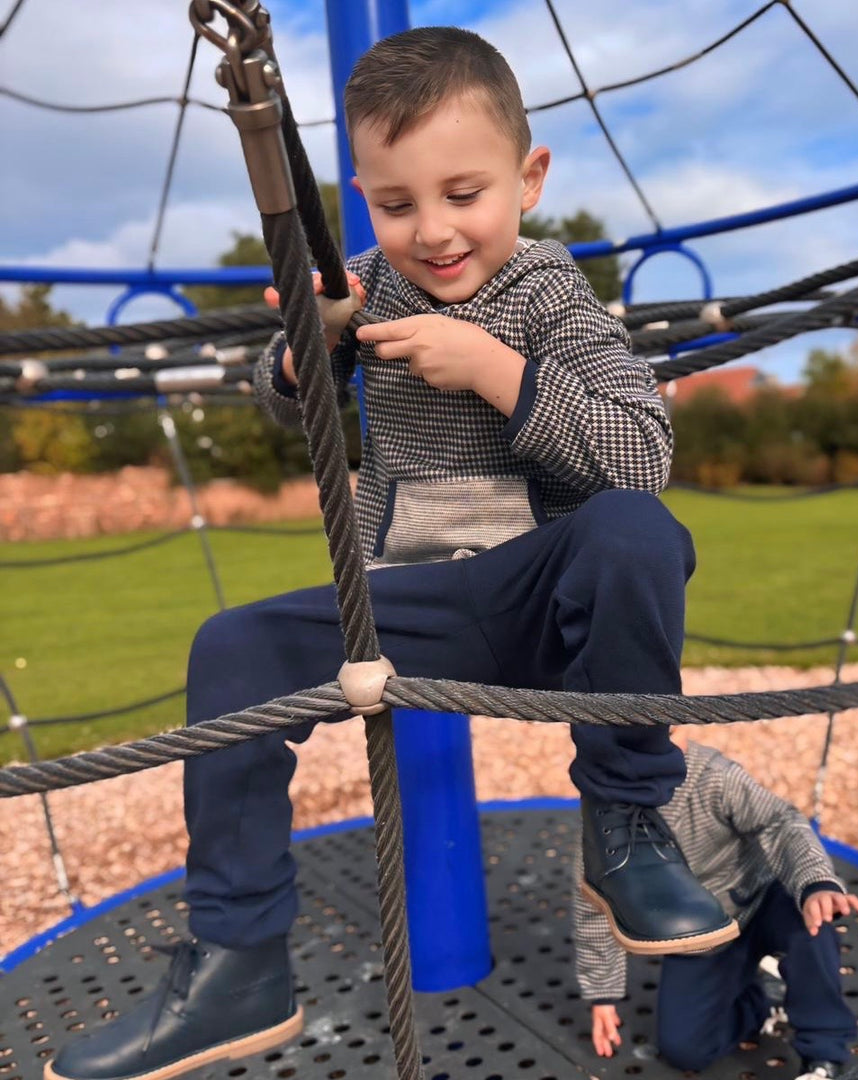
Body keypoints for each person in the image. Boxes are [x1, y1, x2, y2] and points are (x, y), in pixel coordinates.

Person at [48, 25, 737, 1080]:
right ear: (364, 197)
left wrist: (500, 372)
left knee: (638, 530)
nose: (434, 230)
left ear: (530, 178)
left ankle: (628, 826)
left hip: (543, 605)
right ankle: (239, 964)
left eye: (464, 194)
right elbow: (280, 405)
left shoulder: (551, 297)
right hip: (401, 612)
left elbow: (641, 453)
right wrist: (302, 357)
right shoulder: (364, 284)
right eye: (396, 201)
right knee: (232, 645)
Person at [576, 728, 858, 1080]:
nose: (652, 751)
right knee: (684, 1048)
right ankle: (765, 998)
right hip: (704, 932)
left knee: (813, 923)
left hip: (763, 898)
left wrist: (815, 882)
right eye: (630, 741)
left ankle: (824, 1055)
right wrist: (603, 994)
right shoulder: (604, 816)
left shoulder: (712, 776)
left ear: (685, 726)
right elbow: (595, 899)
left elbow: (779, 821)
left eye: (666, 733)